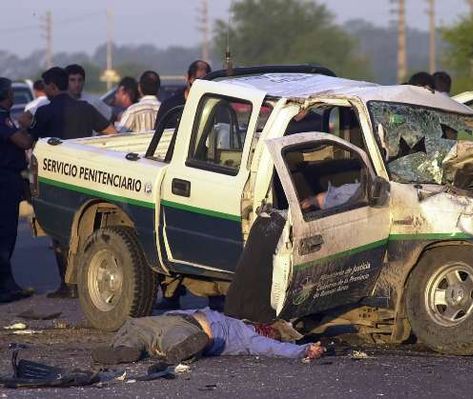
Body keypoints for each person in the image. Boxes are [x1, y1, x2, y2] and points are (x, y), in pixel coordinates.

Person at [20, 67, 116, 299]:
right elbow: (111, 132)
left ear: (52, 87)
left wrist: (22, 125)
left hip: (54, 180)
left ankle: (67, 285)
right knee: (84, 229)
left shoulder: (44, 112)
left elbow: (28, 142)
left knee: (58, 232)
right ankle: (85, 284)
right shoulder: (86, 108)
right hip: (83, 177)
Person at [91, 307, 325, 364]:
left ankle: (181, 349)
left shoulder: (248, 337)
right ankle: (124, 350)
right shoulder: (239, 321)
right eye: (267, 328)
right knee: (138, 327)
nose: (264, 330)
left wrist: (303, 350)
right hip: (176, 320)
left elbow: (273, 348)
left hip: (192, 329)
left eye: (270, 332)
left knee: (176, 335)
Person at [0, 77, 34, 303]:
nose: (13, 96)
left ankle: (8, 284)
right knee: (6, 233)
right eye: (11, 93)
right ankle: (5, 287)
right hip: (4, 180)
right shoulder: (3, 119)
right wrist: (25, 126)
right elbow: (23, 142)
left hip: (8, 179)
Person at [155, 60, 211, 129]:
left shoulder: (213, 105)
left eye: (204, 83)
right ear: (188, 78)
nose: (199, 87)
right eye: (197, 82)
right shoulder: (170, 106)